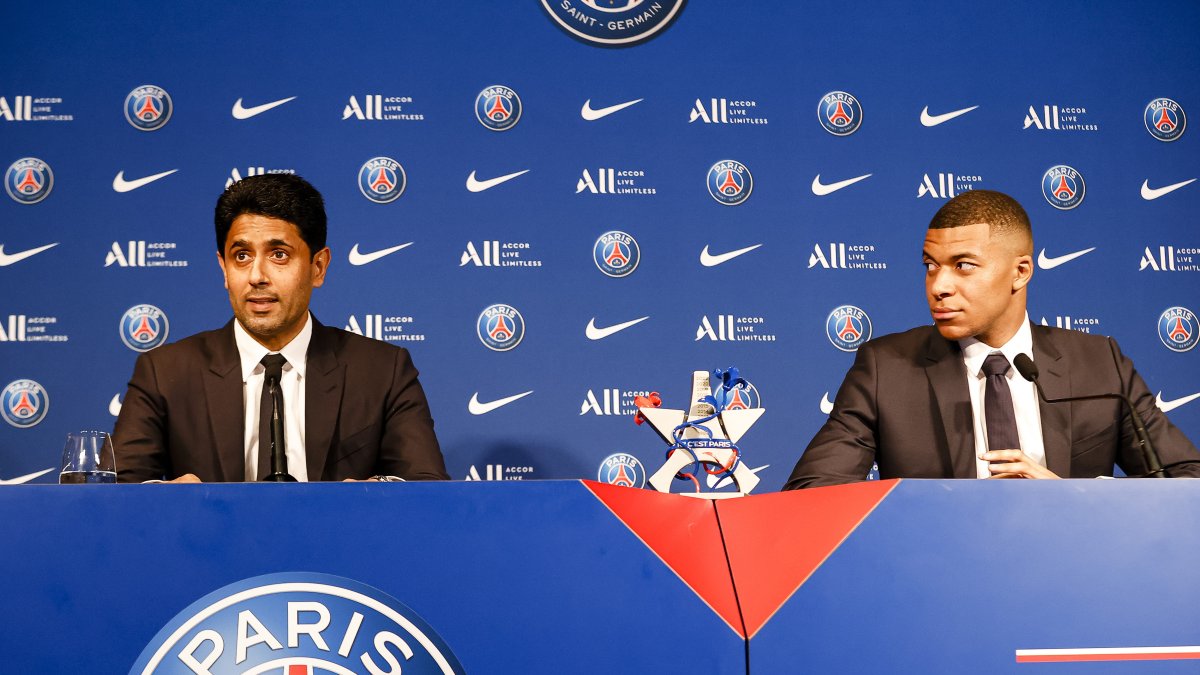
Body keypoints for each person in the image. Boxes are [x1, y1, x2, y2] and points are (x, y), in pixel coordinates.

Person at [785, 190, 1200, 489]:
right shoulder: (885, 367)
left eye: (963, 266)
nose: (939, 286)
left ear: (1020, 272)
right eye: (931, 266)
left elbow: (1187, 484)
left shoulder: (1099, 362)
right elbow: (811, 493)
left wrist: (1074, 499)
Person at [113, 174, 449, 483]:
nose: (257, 276)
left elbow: (427, 488)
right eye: (241, 256)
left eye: (278, 254)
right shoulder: (164, 373)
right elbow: (115, 495)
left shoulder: (382, 371)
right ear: (223, 268)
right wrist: (162, 498)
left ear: (318, 267)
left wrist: (374, 494)